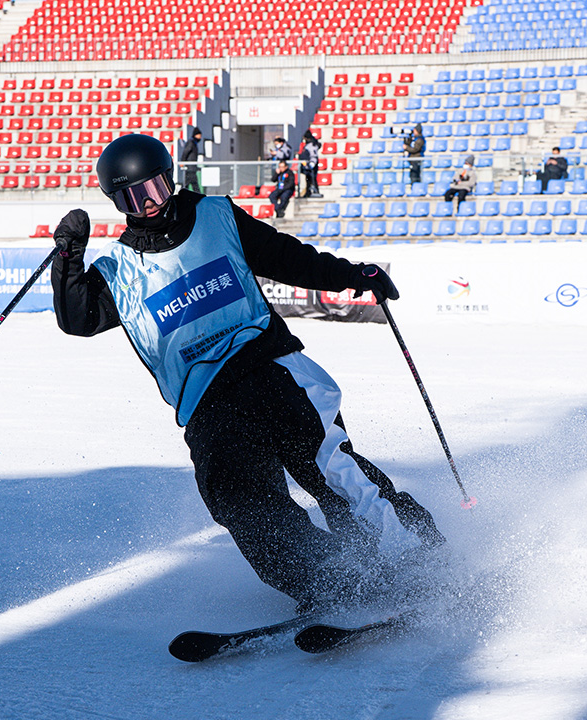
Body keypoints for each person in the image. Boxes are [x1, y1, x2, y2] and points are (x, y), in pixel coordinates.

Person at [50, 133, 445, 614]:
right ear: (118, 203)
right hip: (206, 402)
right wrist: (68, 257)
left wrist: (350, 274)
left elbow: (286, 256)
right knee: (242, 504)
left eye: (153, 189)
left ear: (169, 179)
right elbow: (79, 319)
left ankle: (416, 556)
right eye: (133, 198)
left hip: (270, 365)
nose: (148, 204)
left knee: (331, 469)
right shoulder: (119, 271)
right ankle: (328, 578)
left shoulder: (217, 217)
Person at [179, 126, 204, 193]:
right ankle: (198, 195)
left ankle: (182, 194)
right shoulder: (191, 143)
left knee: (188, 183)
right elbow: (186, 152)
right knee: (193, 183)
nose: (200, 137)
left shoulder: (194, 143)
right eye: (199, 135)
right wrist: (182, 161)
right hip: (190, 167)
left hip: (192, 167)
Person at [298, 130, 321, 198]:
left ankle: (315, 191)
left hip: (310, 165)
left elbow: (313, 156)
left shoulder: (311, 146)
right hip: (306, 166)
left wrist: (312, 163)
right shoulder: (308, 145)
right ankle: (307, 192)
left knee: (312, 179)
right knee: (307, 179)